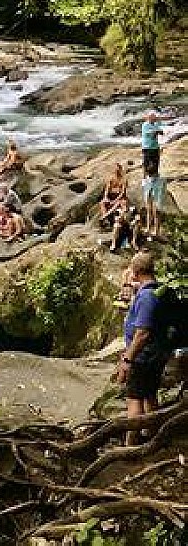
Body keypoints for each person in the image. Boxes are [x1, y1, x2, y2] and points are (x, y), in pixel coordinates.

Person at [115, 252, 170, 446]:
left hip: (143, 356)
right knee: (148, 395)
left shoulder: (147, 297)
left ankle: (131, 444)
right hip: (153, 354)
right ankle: (152, 436)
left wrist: (128, 359)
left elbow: (142, 333)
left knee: (134, 399)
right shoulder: (155, 291)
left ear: (137, 271)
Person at [141, 168, 166, 239]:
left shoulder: (160, 180)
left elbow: (161, 191)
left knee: (156, 213)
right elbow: (144, 187)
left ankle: (156, 231)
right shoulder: (146, 179)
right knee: (149, 211)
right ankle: (148, 228)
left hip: (156, 196)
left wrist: (159, 201)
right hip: (149, 194)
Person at [140, 111, 164, 177]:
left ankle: (155, 175)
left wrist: (159, 131)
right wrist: (156, 131)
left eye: (155, 117)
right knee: (147, 163)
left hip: (155, 147)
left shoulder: (156, 124)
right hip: (147, 147)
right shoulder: (145, 125)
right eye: (152, 117)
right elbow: (150, 133)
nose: (154, 119)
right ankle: (146, 176)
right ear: (148, 118)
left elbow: (161, 132)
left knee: (156, 162)